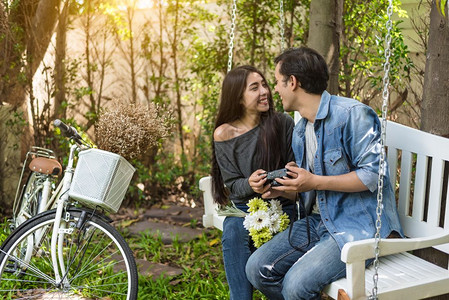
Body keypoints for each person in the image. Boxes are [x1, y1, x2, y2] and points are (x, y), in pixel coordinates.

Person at [245, 47, 404, 300]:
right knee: (257, 269)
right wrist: (284, 188)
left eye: (277, 82)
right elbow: (311, 187)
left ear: (293, 82)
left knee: (295, 286)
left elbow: (373, 176)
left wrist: (315, 181)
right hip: (319, 221)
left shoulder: (353, 115)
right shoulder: (300, 130)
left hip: (358, 227)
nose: (275, 89)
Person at [211, 65, 297, 300]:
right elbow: (233, 185)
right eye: (254, 87)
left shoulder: (282, 123)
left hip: (281, 206)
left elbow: (294, 170)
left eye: (265, 85)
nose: (265, 92)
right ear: (238, 97)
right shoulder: (224, 133)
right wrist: (250, 184)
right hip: (243, 209)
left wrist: (277, 185)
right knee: (233, 232)